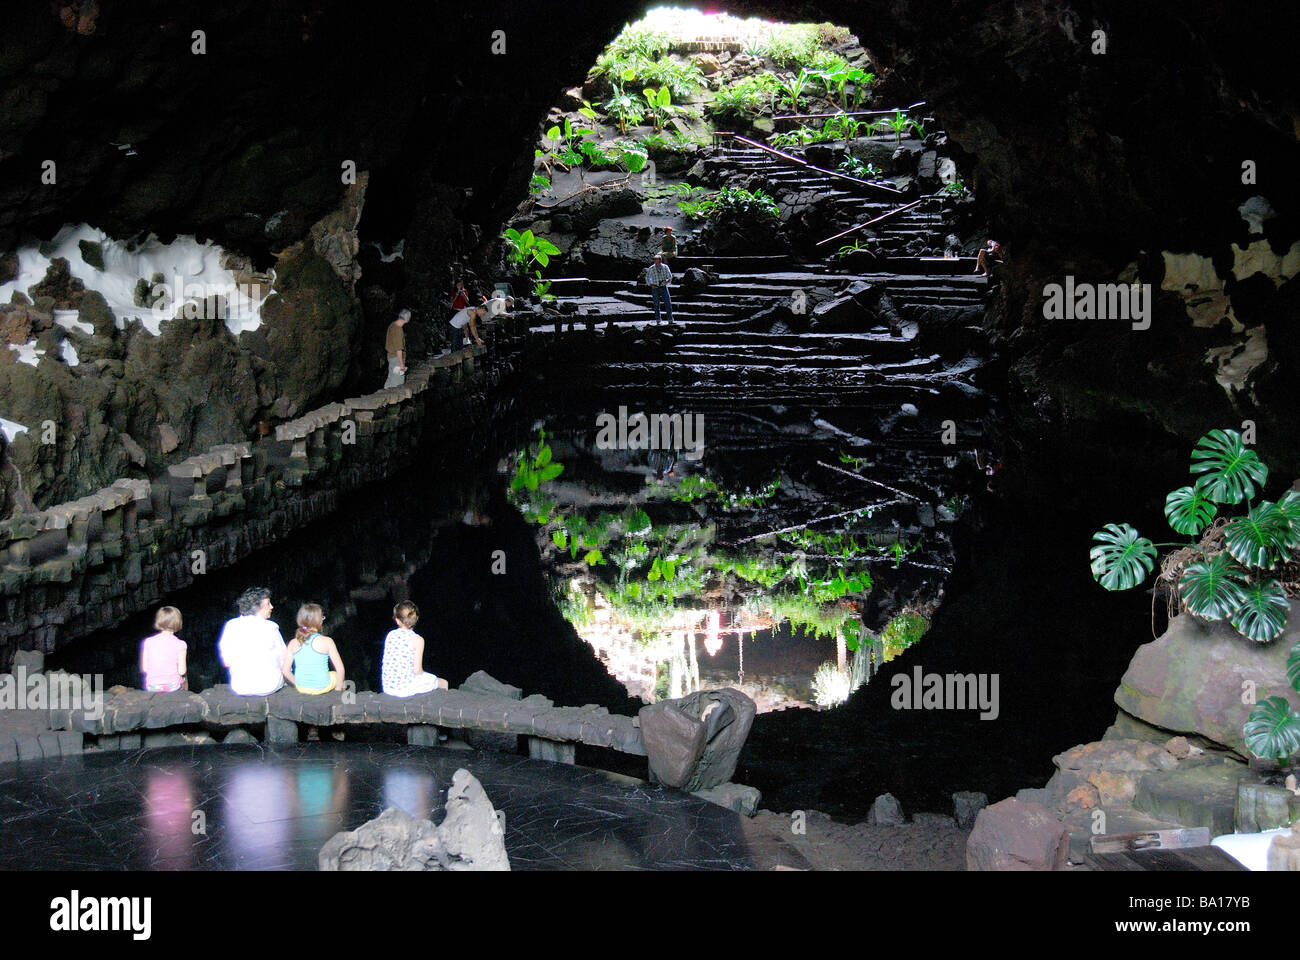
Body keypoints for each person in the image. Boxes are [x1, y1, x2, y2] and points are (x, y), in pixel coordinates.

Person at [218, 586, 288, 696]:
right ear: (257, 608)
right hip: (269, 685)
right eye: (268, 604)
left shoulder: (231, 625)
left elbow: (226, 661)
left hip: (240, 686)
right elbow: (284, 658)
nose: (272, 607)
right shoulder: (271, 627)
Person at [381, 601, 447, 697]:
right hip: (403, 689)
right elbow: (417, 671)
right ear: (416, 619)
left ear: (397, 620)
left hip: (387, 687)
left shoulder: (390, 635)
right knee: (443, 683)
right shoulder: (418, 640)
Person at [281, 603, 346, 695]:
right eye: (322, 617)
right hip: (323, 686)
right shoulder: (327, 641)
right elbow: (340, 668)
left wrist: (299, 684)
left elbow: (285, 671)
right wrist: (338, 690)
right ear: (318, 621)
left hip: (302, 688)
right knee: (335, 675)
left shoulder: (293, 643)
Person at [140, 606, 187, 692]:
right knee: (184, 678)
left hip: (152, 687)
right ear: (178, 623)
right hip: (172, 687)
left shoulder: (148, 642)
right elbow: (182, 671)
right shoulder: (181, 644)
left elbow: (145, 668)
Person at [643, 252, 674, 325]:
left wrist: (666, 280)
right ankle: (658, 320)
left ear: (660, 261)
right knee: (656, 304)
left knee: (668, 303)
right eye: (655, 261)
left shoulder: (665, 267)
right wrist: (650, 284)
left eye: (657, 261)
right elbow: (647, 278)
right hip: (655, 288)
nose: (656, 262)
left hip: (663, 287)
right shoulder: (651, 268)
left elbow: (670, 276)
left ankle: (670, 319)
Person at [384, 309, 410, 388]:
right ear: (407, 319)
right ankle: (392, 399)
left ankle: (384, 396)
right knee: (397, 383)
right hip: (396, 359)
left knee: (391, 379)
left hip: (391, 356)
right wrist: (401, 364)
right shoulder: (398, 329)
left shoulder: (392, 325)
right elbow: (399, 349)